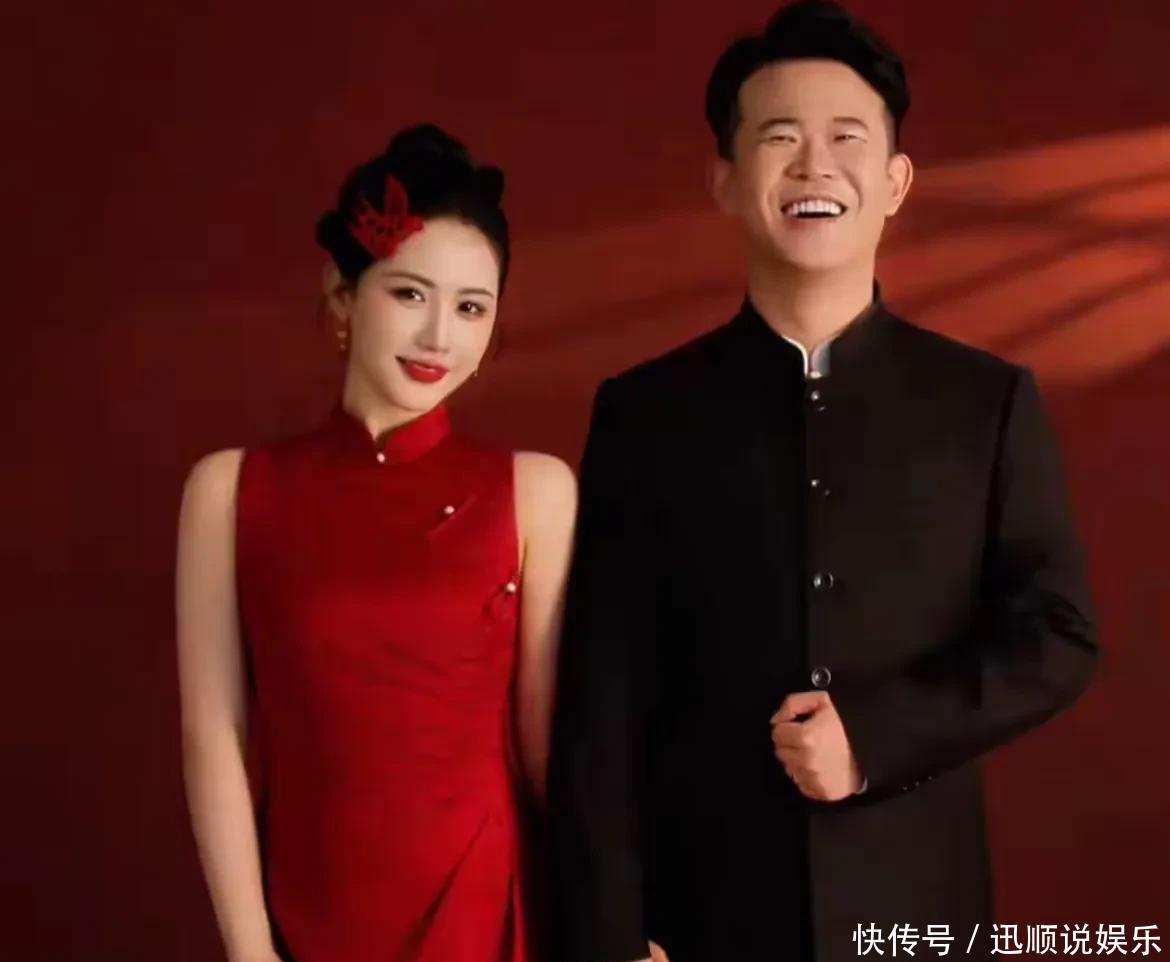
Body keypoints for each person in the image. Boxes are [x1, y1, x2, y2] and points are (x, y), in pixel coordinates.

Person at [547, 3, 1098, 961]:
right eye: (779, 138)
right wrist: (610, 936)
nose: (814, 167)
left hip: (917, 913)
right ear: (725, 180)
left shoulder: (986, 402)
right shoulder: (644, 414)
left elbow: (1057, 637)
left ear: (895, 182)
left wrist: (875, 739)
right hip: (697, 921)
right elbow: (601, 698)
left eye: (846, 138)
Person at [176, 125, 576, 962]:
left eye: (471, 308)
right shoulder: (231, 490)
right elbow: (213, 738)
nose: (438, 337)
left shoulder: (534, 493)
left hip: (484, 915)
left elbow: (551, 750)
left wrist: (623, 921)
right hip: (306, 915)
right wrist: (251, 952)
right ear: (342, 294)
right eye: (409, 294)